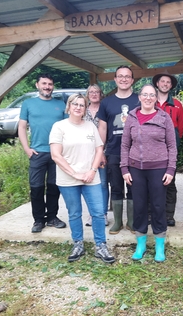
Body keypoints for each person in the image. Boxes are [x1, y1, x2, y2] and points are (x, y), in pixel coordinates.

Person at [49, 93, 115, 264]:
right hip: (68, 179)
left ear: (86, 108)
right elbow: (56, 155)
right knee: (75, 213)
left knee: (98, 213)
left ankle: (100, 245)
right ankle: (78, 243)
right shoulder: (59, 127)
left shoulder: (90, 127)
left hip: (90, 177)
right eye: (75, 104)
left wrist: (92, 170)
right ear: (69, 106)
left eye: (82, 105)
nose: (78, 107)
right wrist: (74, 173)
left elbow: (99, 149)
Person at [120, 84, 177, 262]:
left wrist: (170, 169)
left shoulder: (164, 117)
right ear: (139, 96)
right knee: (139, 206)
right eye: (145, 94)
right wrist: (124, 168)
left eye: (152, 95)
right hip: (136, 168)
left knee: (158, 206)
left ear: (155, 98)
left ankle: (160, 245)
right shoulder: (131, 117)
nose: (148, 98)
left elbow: (172, 146)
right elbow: (125, 145)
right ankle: (141, 244)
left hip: (159, 168)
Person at [18, 73, 67, 233]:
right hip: (37, 153)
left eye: (50, 84)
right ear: (37, 85)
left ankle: (52, 217)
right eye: (44, 83)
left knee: (54, 187)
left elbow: (69, 128)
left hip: (57, 154)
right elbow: (22, 127)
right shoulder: (28, 103)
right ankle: (38, 220)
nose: (47, 87)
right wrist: (27, 149)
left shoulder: (60, 104)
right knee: (37, 188)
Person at [97, 66, 139, 235]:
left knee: (134, 187)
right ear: (115, 79)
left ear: (132, 80)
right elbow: (102, 128)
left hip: (136, 152)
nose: (124, 79)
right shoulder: (106, 102)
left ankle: (132, 222)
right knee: (116, 187)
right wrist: (100, 152)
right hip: (113, 151)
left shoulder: (139, 100)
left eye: (127, 76)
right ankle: (117, 222)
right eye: (120, 76)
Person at [152, 71, 183, 227]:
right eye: (162, 81)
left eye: (168, 82)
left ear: (171, 86)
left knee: (169, 182)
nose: (165, 84)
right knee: (151, 183)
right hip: (151, 150)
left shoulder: (177, 104)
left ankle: (169, 215)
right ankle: (152, 214)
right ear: (157, 84)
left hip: (170, 150)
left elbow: (181, 129)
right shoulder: (149, 101)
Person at [84, 84, 109, 227]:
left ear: (101, 94)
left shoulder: (105, 109)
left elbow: (106, 131)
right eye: (91, 92)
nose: (94, 94)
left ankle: (103, 214)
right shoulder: (82, 110)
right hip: (86, 154)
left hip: (102, 152)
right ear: (87, 95)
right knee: (89, 183)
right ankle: (92, 214)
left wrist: (102, 152)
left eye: (97, 92)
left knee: (103, 184)